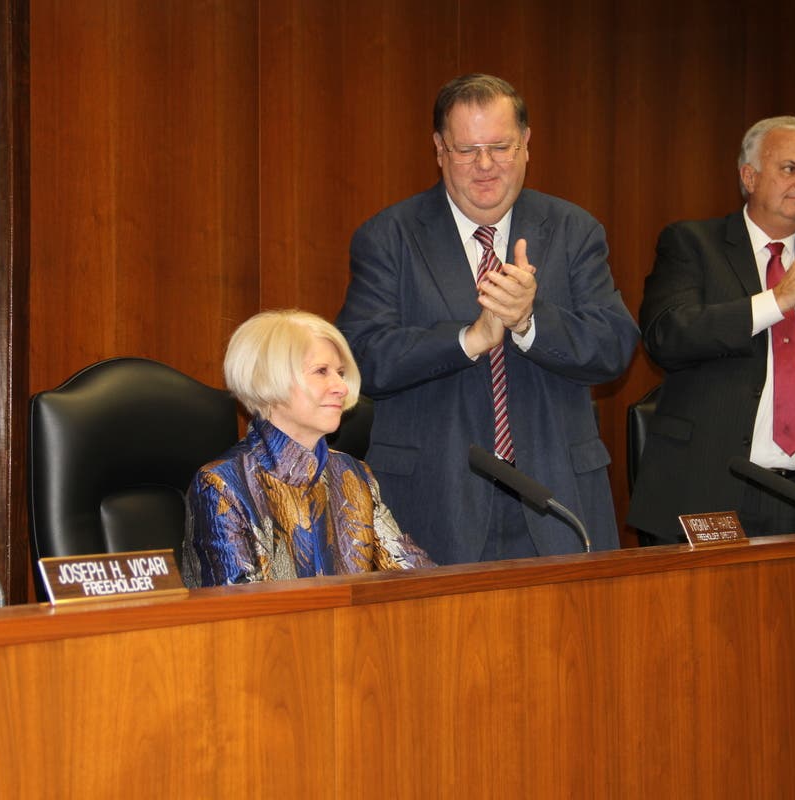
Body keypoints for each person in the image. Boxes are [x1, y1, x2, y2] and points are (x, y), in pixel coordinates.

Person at [336, 73, 639, 564]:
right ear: (438, 149)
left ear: (526, 145)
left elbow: (614, 347)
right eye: (466, 150)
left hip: (556, 496)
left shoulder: (573, 230)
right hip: (432, 502)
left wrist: (529, 322)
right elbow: (361, 358)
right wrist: (467, 339)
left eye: (500, 147)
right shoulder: (389, 235)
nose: (484, 166)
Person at [628, 116, 795, 544]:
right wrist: (777, 300)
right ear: (749, 177)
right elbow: (666, 336)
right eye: (789, 168)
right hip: (712, 490)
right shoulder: (693, 244)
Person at [183, 310, 435, 586]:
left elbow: (414, 577)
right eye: (321, 372)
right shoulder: (223, 485)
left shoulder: (354, 474)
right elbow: (240, 617)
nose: (341, 386)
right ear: (269, 379)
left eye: (340, 373)